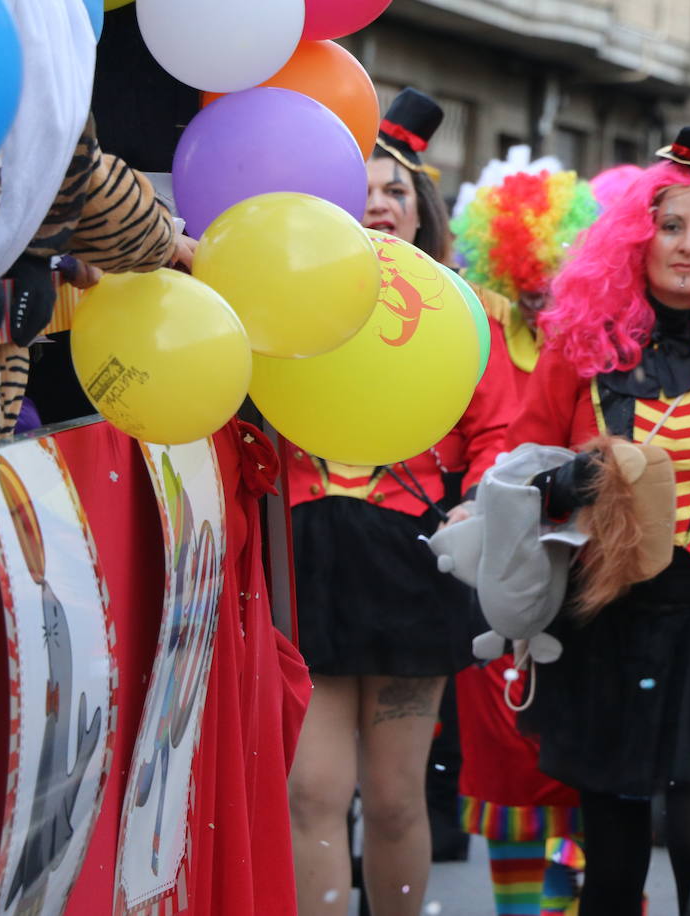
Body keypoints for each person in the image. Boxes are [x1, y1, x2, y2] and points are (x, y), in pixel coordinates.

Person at [505, 121, 690, 915]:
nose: (687, 245)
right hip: (602, 618)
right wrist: (573, 480)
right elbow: (515, 475)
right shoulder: (579, 346)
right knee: (612, 858)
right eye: (670, 225)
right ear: (637, 237)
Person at [285, 88, 518, 916]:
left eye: (396, 189)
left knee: (391, 799)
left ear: (422, 209)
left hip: (408, 567)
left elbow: (497, 435)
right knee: (312, 793)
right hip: (305, 560)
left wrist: (478, 505)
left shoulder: (465, 312)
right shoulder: (289, 298)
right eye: (361, 190)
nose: (378, 205)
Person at [449, 158, 600, 915]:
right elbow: (458, 442)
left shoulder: (607, 354)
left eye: (563, 271)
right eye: (534, 274)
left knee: (590, 781)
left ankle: (569, 904)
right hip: (503, 589)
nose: (548, 289)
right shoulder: (476, 340)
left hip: (590, 585)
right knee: (513, 783)